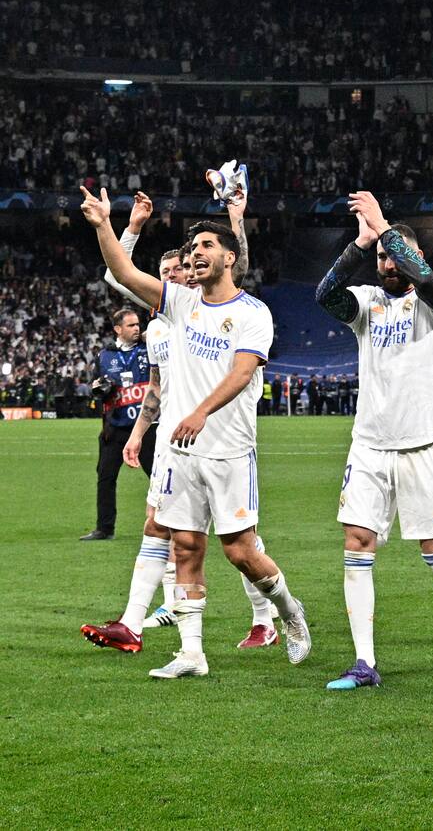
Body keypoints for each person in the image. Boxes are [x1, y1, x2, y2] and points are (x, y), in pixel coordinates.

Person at [80, 185, 312, 679]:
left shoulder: (252, 313)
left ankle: (289, 612)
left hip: (228, 451)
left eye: (206, 246)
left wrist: (201, 411)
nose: (197, 254)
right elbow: (122, 272)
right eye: (192, 249)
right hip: (180, 452)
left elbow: (243, 372)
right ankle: (192, 653)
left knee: (240, 551)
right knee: (185, 547)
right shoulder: (178, 304)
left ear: (230, 257)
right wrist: (104, 225)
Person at [316, 190, 433, 690]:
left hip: (424, 444)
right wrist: (359, 244)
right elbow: (324, 295)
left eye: (392, 255)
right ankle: (364, 663)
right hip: (369, 444)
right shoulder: (367, 303)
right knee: (357, 544)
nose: (385, 262)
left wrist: (386, 226)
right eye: (380, 257)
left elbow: (424, 277)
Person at [81, 306, 155, 541]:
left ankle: (181, 522)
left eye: (137, 324)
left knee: (160, 477)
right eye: (131, 325)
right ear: (118, 329)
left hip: (147, 428)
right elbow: (97, 387)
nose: (137, 329)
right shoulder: (105, 356)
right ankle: (104, 528)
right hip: (116, 427)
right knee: (105, 477)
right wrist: (99, 389)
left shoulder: (149, 349)